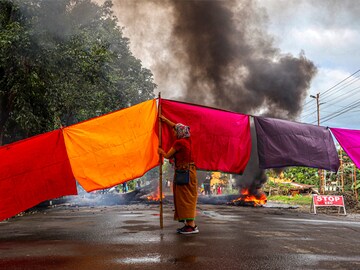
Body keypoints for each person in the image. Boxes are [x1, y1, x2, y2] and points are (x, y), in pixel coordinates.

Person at [158, 115, 199, 235]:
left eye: (174, 131)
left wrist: (161, 151)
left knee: (185, 200)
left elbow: (167, 155)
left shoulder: (179, 143)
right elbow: (177, 127)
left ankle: (191, 226)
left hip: (184, 173)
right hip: (189, 172)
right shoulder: (188, 140)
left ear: (179, 133)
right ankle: (189, 224)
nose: (173, 132)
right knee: (187, 199)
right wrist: (165, 121)